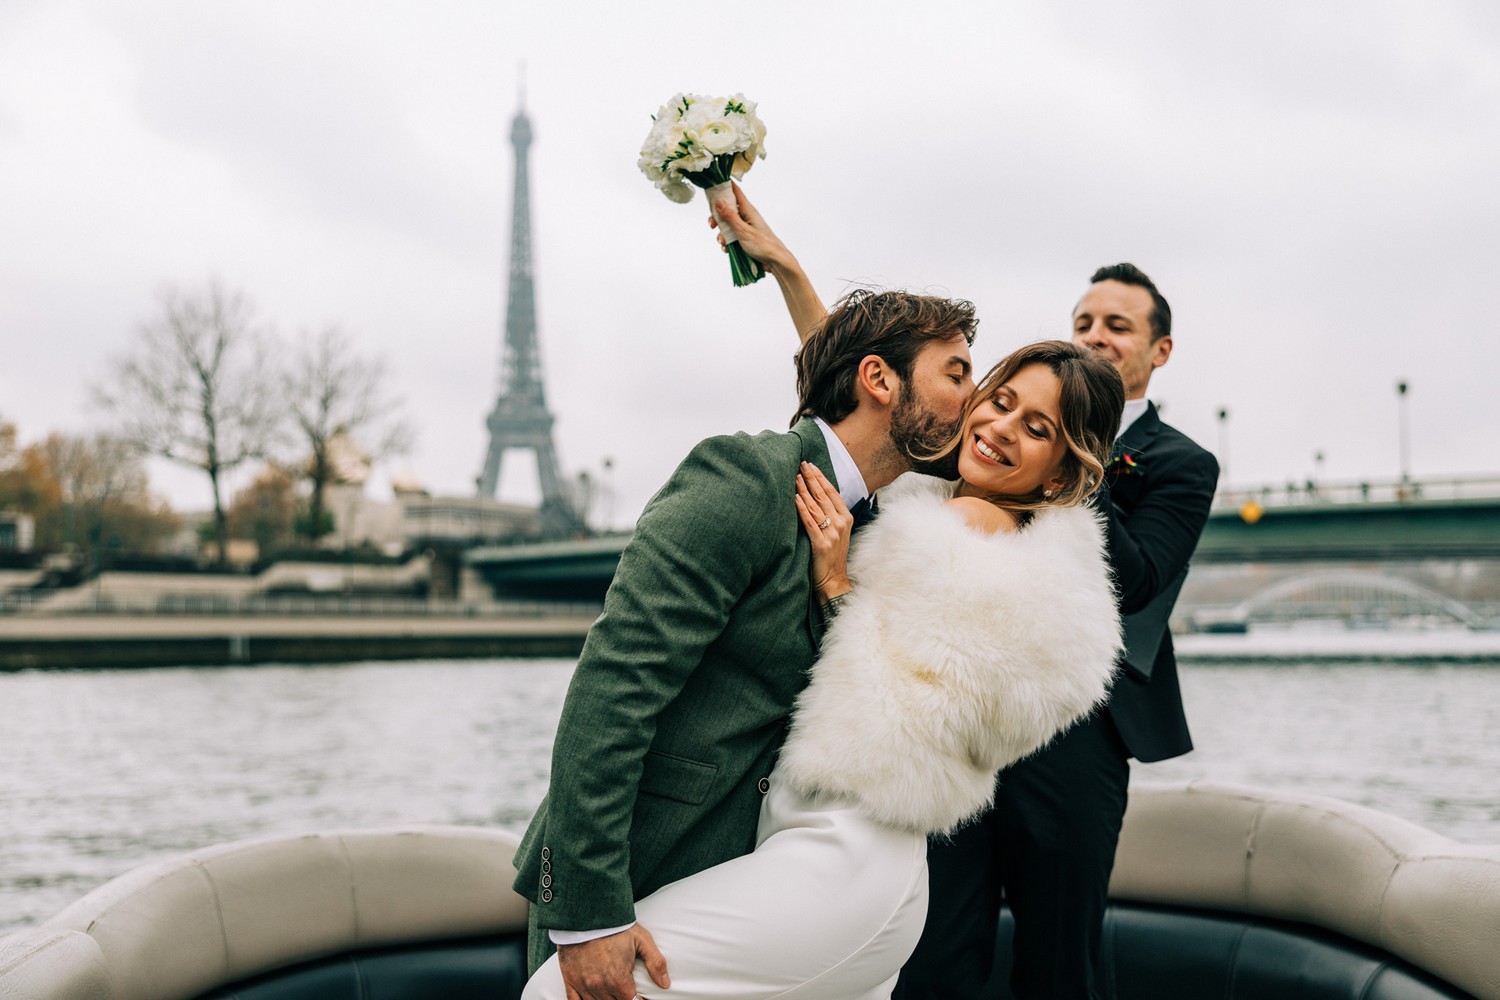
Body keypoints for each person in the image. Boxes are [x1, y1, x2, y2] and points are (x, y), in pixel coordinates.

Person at [713, 187, 1220, 999]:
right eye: (1083, 323)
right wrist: (789, 273)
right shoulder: (987, 442)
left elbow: (1136, 580)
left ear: (1158, 351)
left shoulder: (1177, 463)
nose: (1095, 336)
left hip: (1077, 740)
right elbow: (875, 402)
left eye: (1116, 328)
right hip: (936, 735)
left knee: (1061, 957)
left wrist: (1070, 462)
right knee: (938, 947)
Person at [522, 338, 1126, 1000]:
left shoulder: (960, 522)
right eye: (1000, 400)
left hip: (840, 851)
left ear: (1061, 474)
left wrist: (838, 582)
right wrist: (789, 278)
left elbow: (887, 703)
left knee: (562, 992)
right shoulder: (1007, 550)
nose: (999, 427)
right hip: (880, 870)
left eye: (1036, 428)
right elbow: (889, 390)